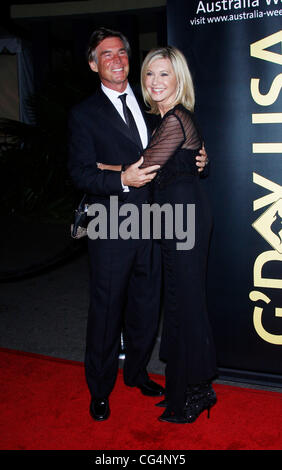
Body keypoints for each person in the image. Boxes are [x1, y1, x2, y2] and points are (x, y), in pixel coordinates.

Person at [68, 28, 208, 422]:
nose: (116, 59)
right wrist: (119, 179)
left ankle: (136, 373)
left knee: (148, 307)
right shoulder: (83, 114)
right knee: (106, 309)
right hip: (110, 222)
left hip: (158, 221)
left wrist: (200, 157)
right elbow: (79, 173)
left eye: (122, 52)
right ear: (94, 64)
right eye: (105, 54)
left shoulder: (155, 105)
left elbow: (177, 145)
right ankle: (99, 389)